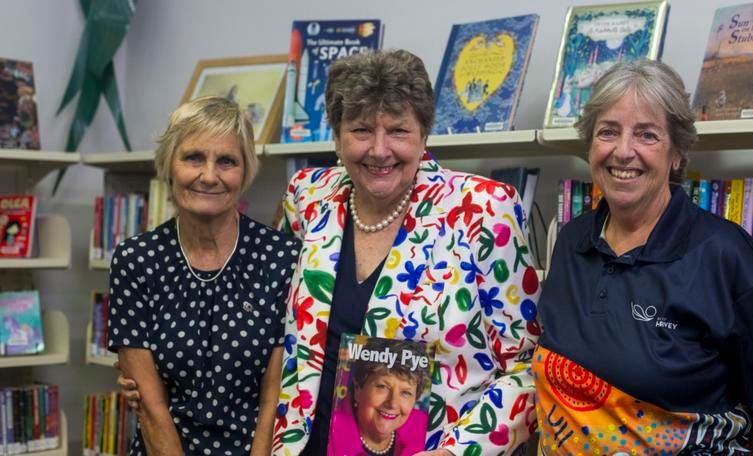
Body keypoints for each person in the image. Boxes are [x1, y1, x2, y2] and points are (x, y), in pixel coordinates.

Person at [275, 49, 541, 455]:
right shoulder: (308, 198)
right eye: (361, 130)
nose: (379, 150)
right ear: (336, 134)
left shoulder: (485, 209)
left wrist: (456, 453)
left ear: (424, 134)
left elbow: (528, 368)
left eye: (398, 131)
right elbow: (277, 330)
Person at [532, 60, 753, 455]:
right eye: (608, 131)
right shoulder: (572, 241)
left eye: (647, 135)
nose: (624, 151)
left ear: (677, 152)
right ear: (590, 145)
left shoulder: (728, 257)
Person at [107, 96, 300, 455]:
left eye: (226, 161)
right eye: (193, 157)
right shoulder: (136, 260)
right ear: (169, 166)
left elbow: (274, 400)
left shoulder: (281, 257)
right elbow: (150, 406)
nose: (209, 176)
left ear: (244, 173)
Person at [328, 338, 431, 456]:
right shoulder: (330, 432)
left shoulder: (425, 426)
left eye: (405, 393)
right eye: (382, 387)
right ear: (358, 389)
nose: (392, 403)